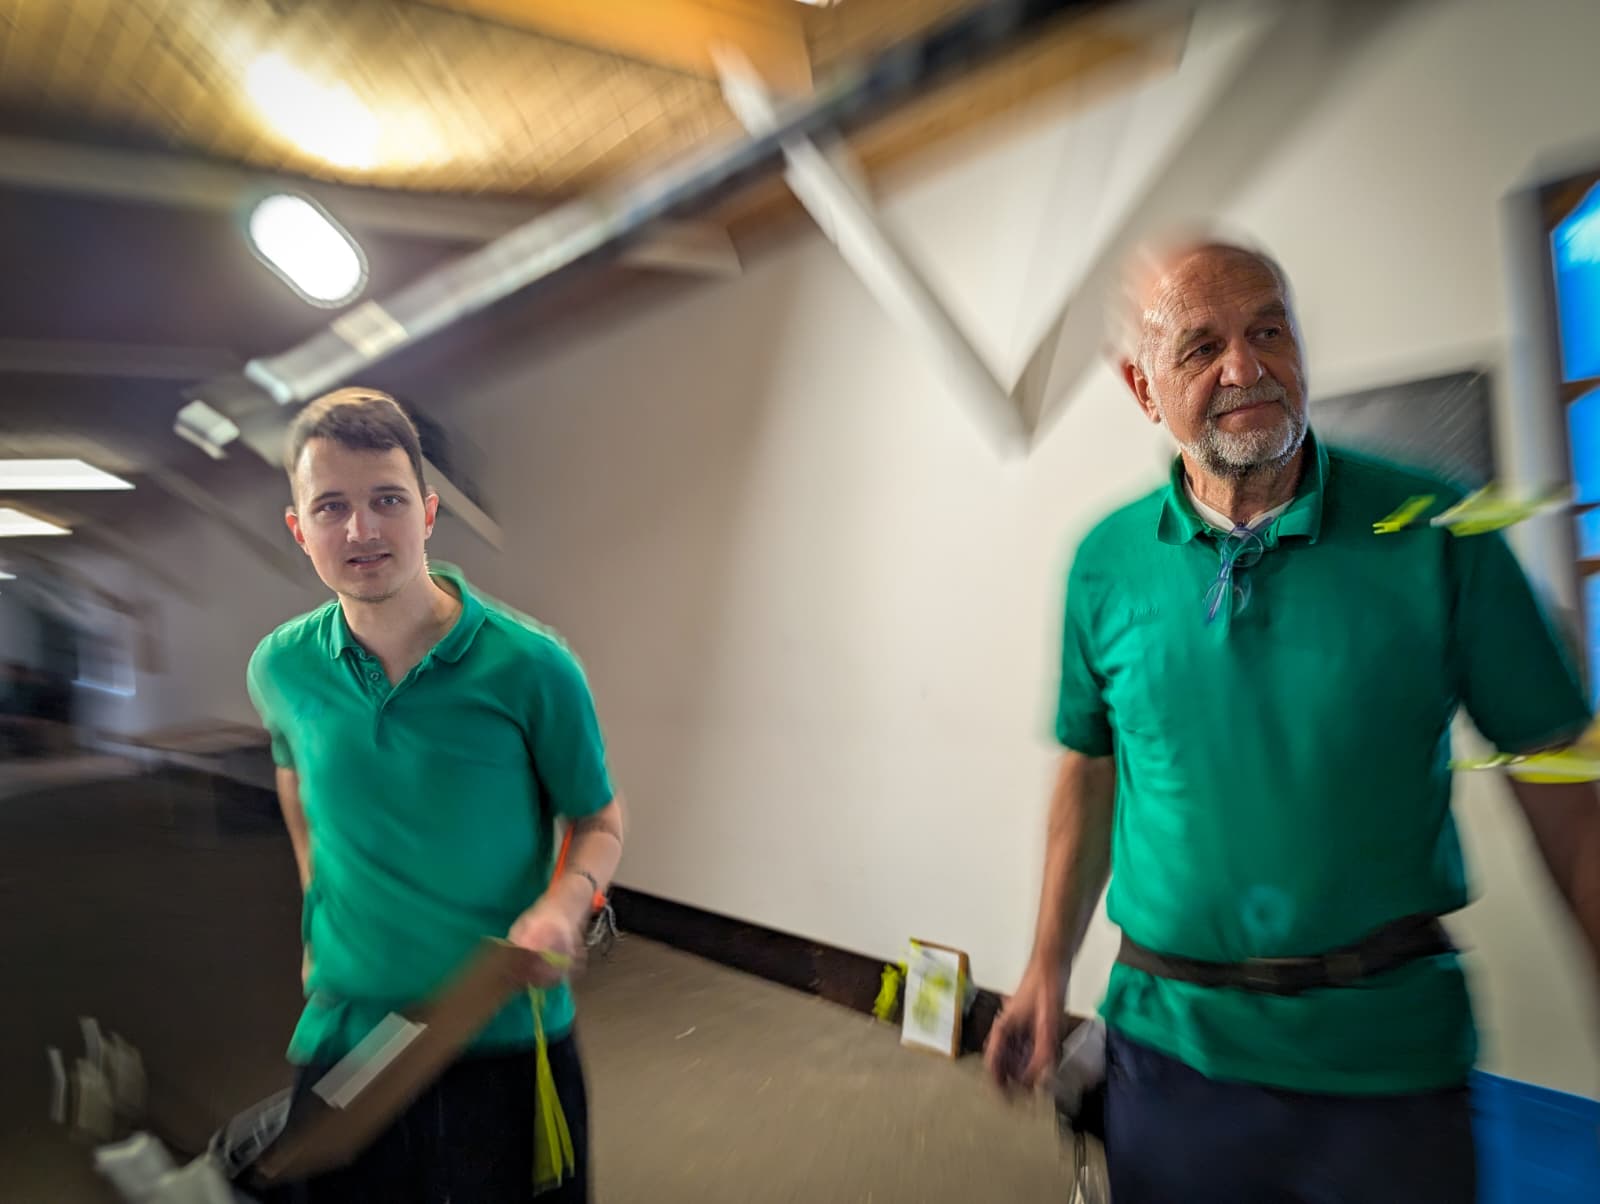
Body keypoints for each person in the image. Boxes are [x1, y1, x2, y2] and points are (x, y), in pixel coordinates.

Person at [985, 237, 1600, 1202]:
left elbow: (1561, 779)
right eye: (1201, 347)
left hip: (1387, 1068)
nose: (1246, 367)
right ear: (1143, 388)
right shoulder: (1103, 563)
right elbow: (1090, 768)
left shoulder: (1438, 527)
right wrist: (1044, 968)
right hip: (1168, 1054)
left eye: (1269, 331)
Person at [247, 387, 625, 1203]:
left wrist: (566, 904)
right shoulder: (280, 667)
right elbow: (295, 780)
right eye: (332, 506)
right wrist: (315, 902)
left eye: (386, 500)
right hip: (350, 1032)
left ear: (426, 512)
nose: (361, 530)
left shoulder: (531, 666)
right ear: (299, 528)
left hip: (500, 1029)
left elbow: (599, 820)